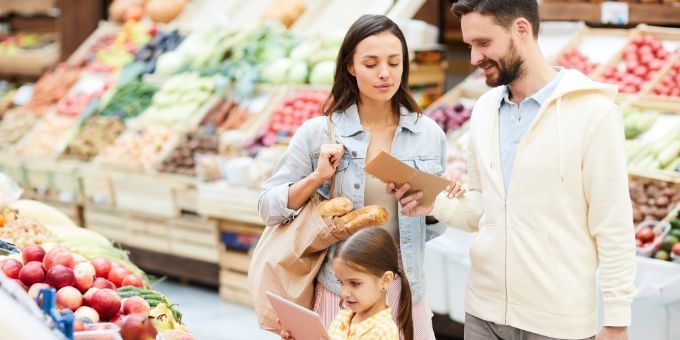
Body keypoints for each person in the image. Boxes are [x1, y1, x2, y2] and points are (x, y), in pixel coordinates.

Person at [388, 1, 637, 339]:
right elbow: (480, 210)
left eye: (483, 43)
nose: (474, 58)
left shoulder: (593, 113)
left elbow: (614, 225)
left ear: (521, 30)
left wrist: (617, 320)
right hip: (483, 313)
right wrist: (433, 203)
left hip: (557, 323)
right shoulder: (485, 110)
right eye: (469, 45)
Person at [259, 14, 462, 340]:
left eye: (394, 62)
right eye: (371, 63)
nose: (385, 73)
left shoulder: (428, 135)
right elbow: (267, 207)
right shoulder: (317, 133)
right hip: (341, 290)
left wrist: (431, 208)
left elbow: (432, 228)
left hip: (404, 287)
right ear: (350, 67)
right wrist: (317, 177)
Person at [283, 228, 414, 340]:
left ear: (385, 281)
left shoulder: (383, 332)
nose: (344, 293)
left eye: (355, 283)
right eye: (341, 282)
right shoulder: (344, 317)